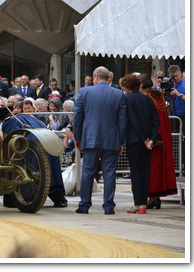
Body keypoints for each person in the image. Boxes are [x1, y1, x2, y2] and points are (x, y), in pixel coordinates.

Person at [73, 66, 127, 215]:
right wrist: (120, 142)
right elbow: (122, 121)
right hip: (111, 140)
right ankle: (109, 206)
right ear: (107, 77)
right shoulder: (118, 94)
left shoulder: (85, 92)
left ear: (95, 77)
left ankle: (84, 204)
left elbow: (78, 117)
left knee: (88, 172)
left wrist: (78, 138)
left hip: (90, 138)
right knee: (109, 173)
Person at [0, 107, 67, 208]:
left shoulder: (8, 122)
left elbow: (10, 143)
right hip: (48, 145)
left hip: (31, 148)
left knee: (16, 168)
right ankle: (60, 199)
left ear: (2, 119)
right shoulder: (32, 117)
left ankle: (24, 198)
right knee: (52, 173)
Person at [121, 74, 159, 214]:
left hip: (134, 140)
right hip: (148, 140)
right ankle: (144, 202)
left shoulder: (127, 99)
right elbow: (156, 121)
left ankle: (139, 204)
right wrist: (151, 139)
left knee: (136, 172)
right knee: (145, 171)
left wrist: (143, 139)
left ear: (127, 87)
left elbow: (133, 121)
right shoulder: (148, 99)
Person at [139, 74, 178, 209]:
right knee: (157, 168)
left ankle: (153, 196)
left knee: (152, 168)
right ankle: (155, 197)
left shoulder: (148, 98)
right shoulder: (158, 96)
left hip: (153, 137)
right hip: (161, 135)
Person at [167, 65, 185, 173]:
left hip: (184, 114)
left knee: (183, 139)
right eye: (173, 76)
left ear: (181, 74)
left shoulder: (186, 84)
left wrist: (179, 94)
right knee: (175, 140)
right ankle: (177, 164)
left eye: (177, 76)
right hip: (174, 115)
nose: (175, 79)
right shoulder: (170, 84)